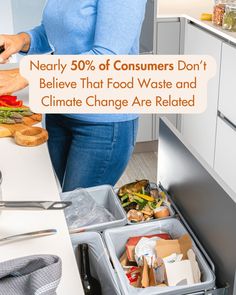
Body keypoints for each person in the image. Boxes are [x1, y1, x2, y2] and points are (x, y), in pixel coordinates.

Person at [0, 0, 147, 191]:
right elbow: (59, 31)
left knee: (80, 214)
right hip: (59, 111)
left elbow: (105, 57)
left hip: (101, 122)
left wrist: (31, 72)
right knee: (67, 203)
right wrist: (21, 40)